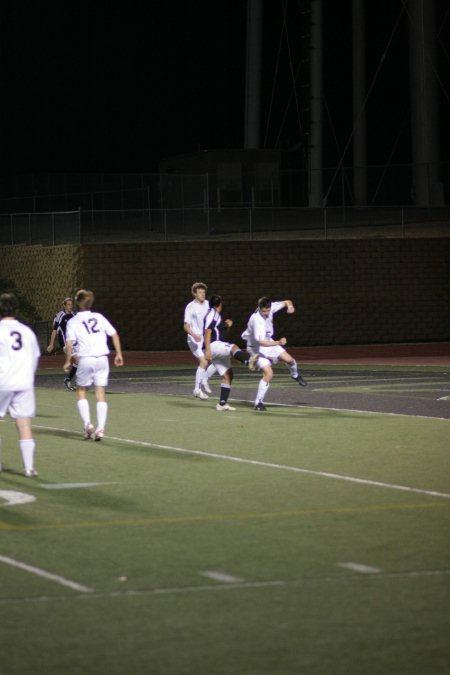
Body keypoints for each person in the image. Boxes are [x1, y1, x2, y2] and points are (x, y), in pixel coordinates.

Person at [63, 289, 123, 441]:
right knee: (100, 393)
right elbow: (114, 334)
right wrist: (119, 354)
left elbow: (69, 343)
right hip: (102, 358)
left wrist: (68, 360)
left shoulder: (73, 321)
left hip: (86, 358)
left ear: (77, 303)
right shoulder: (98, 317)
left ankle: (88, 424)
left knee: (81, 390)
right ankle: (101, 429)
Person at [242, 296, 307, 411]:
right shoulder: (257, 320)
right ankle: (258, 403)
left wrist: (290, 307)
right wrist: (279, 342)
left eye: (268, 310)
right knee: (269, 373)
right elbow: (261, 342)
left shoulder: (271, 307)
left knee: (290, 360)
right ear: (259, 308)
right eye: (264, 311)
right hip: (256, 348)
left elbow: (287, 301)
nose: (266, 313)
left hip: (269, 342)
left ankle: (295, 375)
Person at [0, 292, 40, 476]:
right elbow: (35, 357)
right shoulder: (27, 331)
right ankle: (29, 467)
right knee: (24, 423)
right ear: (16, 309)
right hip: (24, 381)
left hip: (3, 381)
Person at [204, 294, 251, 411]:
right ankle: (248, 362)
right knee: (233, 347)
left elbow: (217, 331)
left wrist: (226, 325)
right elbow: (208, 331)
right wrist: (208, 350)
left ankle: (222, 404)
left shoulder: (215, 315)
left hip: (215, 346)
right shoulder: (213, 313)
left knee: (228, 374)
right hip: (213, 346)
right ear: (220, 304)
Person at [183, 281, 217, 400]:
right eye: (200, 292)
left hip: (205, 338)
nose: (202, 294)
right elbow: (186, 326)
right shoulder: (190, 307)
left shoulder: (208, 305)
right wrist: (194, 334)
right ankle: (197, 390)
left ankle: (204, 380)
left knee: (217, 359)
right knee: (204, 362)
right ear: (195, 294)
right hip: (194, 339)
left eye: (203, 292)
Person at [47, 297, 78, 391]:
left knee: (81, 361)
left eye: (71, 304)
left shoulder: (74, 315)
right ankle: (77, 381)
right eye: (68, 304)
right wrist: (51, 344)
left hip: (75, 342)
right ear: (64, 305)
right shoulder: (60, 315)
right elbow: (55, 330)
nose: (70, 306)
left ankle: (69, 380)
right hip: (65, 342)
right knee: (77, 359)